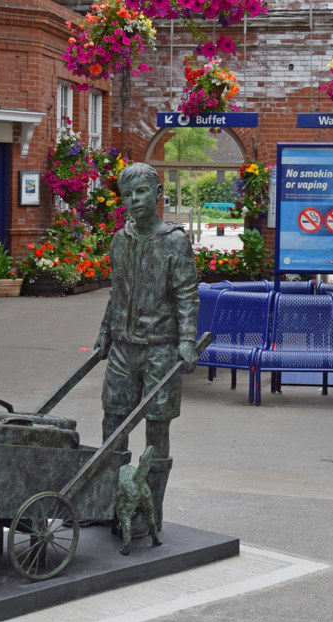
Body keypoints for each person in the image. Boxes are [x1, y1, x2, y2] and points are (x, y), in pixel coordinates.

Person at [94, 162, 199, 531]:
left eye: (141, 192)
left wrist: (187, 340)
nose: (135, 200)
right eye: (128, 194)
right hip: (123, 348)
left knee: (157, 427)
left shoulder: (174, 241)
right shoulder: (120, 240)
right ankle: (110, 504)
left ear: (157, 195)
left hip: (160, 349)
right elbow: (116, 291)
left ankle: (151, 511)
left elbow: (187, 293)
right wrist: (105, 330)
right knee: (113, 423)